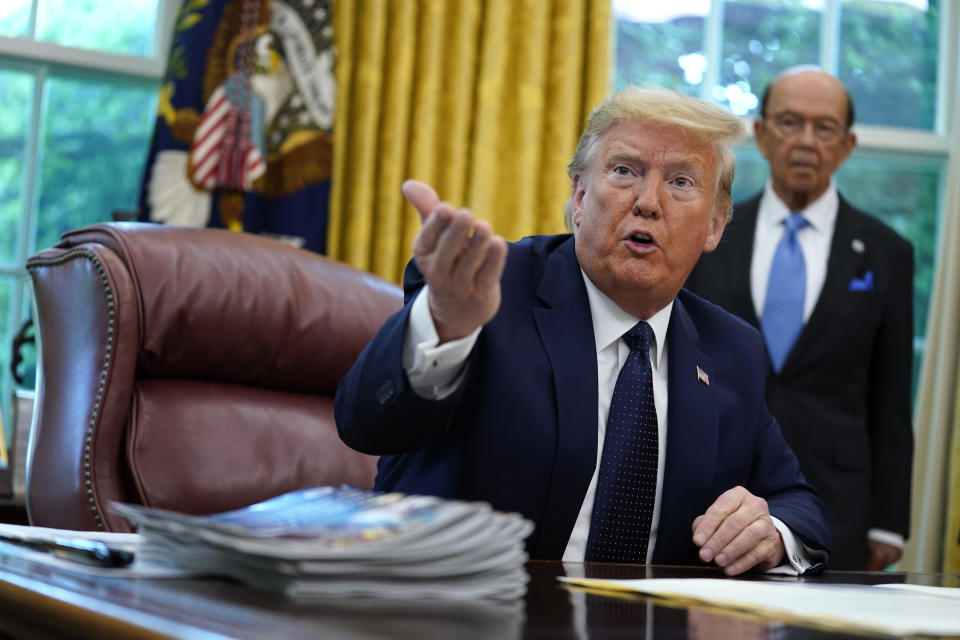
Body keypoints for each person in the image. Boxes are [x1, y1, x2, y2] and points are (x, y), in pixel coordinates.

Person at [336, 86, 830, 575]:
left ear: (715, 227)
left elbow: (797, 502)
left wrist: (770, 532)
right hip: (470, 612)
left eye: (681, 182)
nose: (648, 201)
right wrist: (444, 325)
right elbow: (367, 423)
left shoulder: (731, 349)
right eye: (624, 171)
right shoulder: (484, 289)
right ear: (579, 195)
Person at [685, 67, 913, 571]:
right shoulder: (706, 234)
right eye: (789, 123)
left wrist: (888, 521)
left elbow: (891, 397)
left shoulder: (885, 252)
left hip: (839, 506)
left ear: (847, 145)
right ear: (762, 136)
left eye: (824, 127)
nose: (806, 141)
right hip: (715, 503)